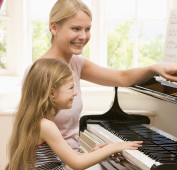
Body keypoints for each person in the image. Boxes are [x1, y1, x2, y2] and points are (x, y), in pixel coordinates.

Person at [24, 0, 177, 163]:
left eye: (87, 29)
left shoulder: (76, 62)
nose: (83, 36)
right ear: (54, 27)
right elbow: (31, 136)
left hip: (70, 161)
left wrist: (154, 68)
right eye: (76, 28)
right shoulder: (40, 73)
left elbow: (121, 78)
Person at [6, 58, 143, 170]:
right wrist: (115, 147)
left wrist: (92, 154)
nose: (75, 93)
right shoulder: (46, 125)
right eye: (71, 87)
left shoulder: (38, 121)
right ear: (52, 93)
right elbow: (77, 164)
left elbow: (67, 159)